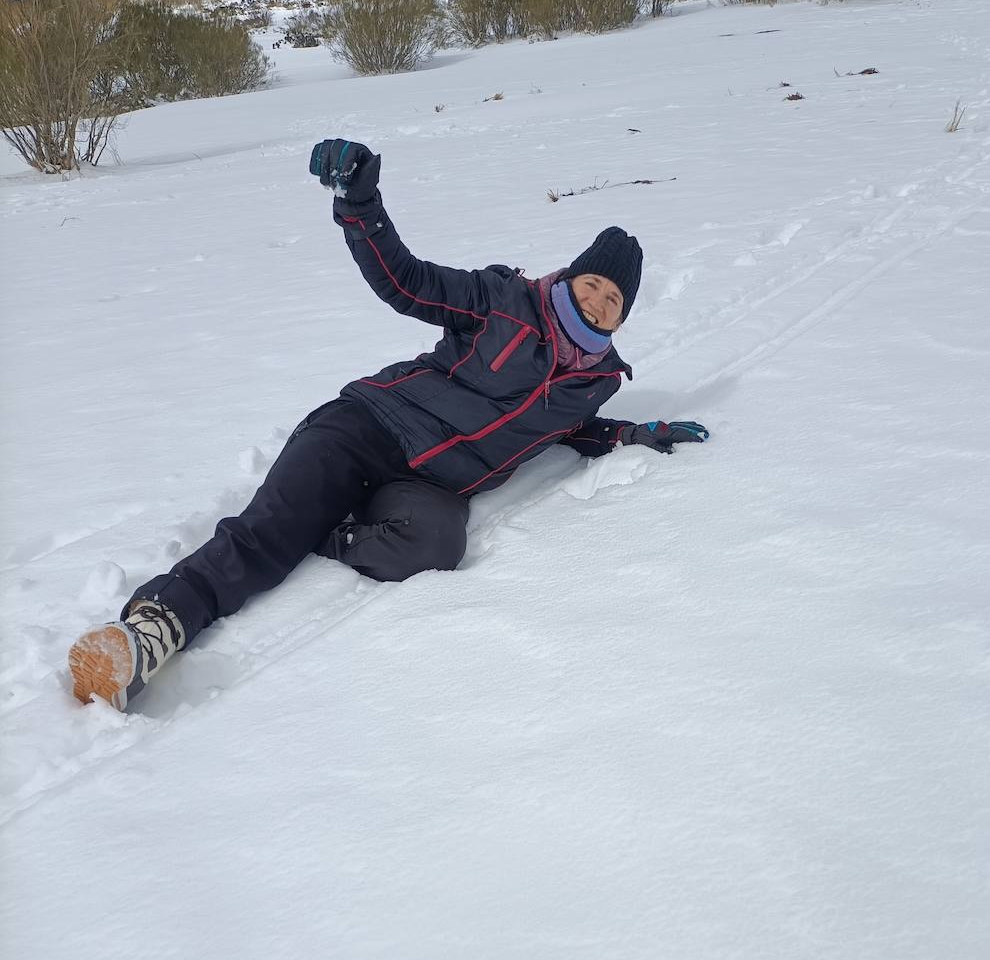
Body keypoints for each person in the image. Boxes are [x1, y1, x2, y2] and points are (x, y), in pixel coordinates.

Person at [68, 139, 709, 710]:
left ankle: (328, 533)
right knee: (265, 538)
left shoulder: (590, 383)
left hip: (426, 488)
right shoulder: (502, 300)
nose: (598, 301)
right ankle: (148, 632)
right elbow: (404, 281)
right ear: (572, 276)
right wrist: (359, 205)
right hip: (368, 427)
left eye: (613, 300)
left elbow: (569, 431)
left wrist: (632, 434)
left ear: (622, 317)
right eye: (594, 283)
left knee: (438, 544)